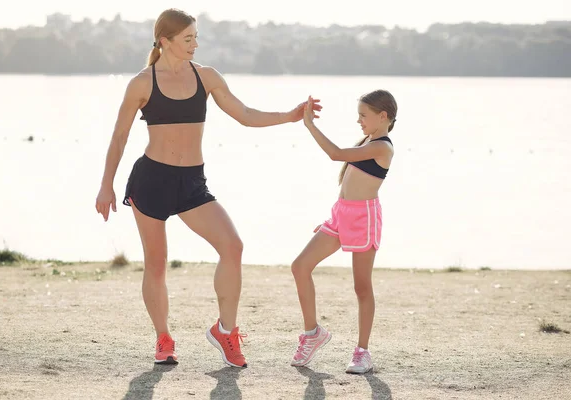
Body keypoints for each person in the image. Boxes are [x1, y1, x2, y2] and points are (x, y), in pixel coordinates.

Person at [94, 8, 321, 368]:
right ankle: (163, 339)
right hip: (151, 180)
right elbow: (119, 135)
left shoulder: (207, 77)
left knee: (232, 246)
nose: (195, 44)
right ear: (164, 41)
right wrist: (106, 185)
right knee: (156, 264)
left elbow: (244, 114)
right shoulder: (142, 82)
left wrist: (289, 116)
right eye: (188, 39)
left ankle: (225, 331)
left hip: (192, 183)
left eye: (196, 37)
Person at [290, 91, 397, 374]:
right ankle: (312, 333)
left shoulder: (383, 147)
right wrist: (334, 216)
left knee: (361, 287)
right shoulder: (368, 142)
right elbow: (348, 186)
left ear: (382, 116)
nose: (359, 120)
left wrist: (310, 125)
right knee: (300, 266)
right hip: (341, 215)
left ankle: (362, 352)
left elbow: (335, 154)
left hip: (364, 218)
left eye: (364, 115)